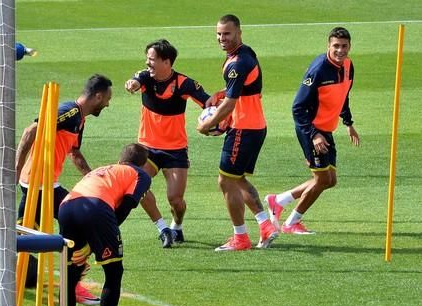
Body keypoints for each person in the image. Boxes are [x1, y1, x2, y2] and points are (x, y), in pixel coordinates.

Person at [14, 74, 113, 305]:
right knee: (83, 230)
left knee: (22, 236)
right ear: (98, 96)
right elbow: (31, 131)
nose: (108, 104)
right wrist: (16, 167)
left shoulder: (80, 120)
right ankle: (73, 287)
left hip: (43, 183)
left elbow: (75, 153)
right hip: (39, 183)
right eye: (107, 98)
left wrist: (91, 177)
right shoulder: (70, 112)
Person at [265, 27, 360, 234]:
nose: (340, 50)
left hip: (327, 129)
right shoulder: (318, 70)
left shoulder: (348, 66)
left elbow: (343, 95)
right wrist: (314, 134)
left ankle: (278, 200)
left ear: (349, 47)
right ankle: (291, 222)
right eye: (336, 46)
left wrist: (348, 122)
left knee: (330, 180)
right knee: (323, 179)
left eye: (344, 46)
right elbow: (297, 108)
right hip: (312, 130)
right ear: (328, 45)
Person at [196, 14, 279, 251]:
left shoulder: (237, 63)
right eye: (219, 34)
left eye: (227, 33)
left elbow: (231, 104)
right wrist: (222, 92)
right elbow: (243, 88)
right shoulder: (245, 54)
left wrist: (206, 124)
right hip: (255, 126)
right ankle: (266, 225)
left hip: (243, 128)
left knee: (225, 180)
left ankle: (240, 238)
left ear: (239, 33)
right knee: (238, 179)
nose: (222, 38)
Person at [59, 143, 151, 306]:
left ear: (121, 160)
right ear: (143, 164)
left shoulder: (106, 169)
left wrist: (91, 243)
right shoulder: (140, 175)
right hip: (95, 208)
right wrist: (94, 243)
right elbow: (125, 207)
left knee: (71, 273)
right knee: (113, 273)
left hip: (67, 206)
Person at [125, 39, 210, 248]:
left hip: (175, 150)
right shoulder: (145, 77)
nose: (148, 63)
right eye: (147, 59)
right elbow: (135, 80)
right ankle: (163, 228)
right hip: (147, 148)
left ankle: (177, 226)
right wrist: (132, 84)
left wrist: (214, 119)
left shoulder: (185, 84)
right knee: (138, 185)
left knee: (176, 200)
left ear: (167, 61)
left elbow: (208, 103)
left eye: (152, 59)